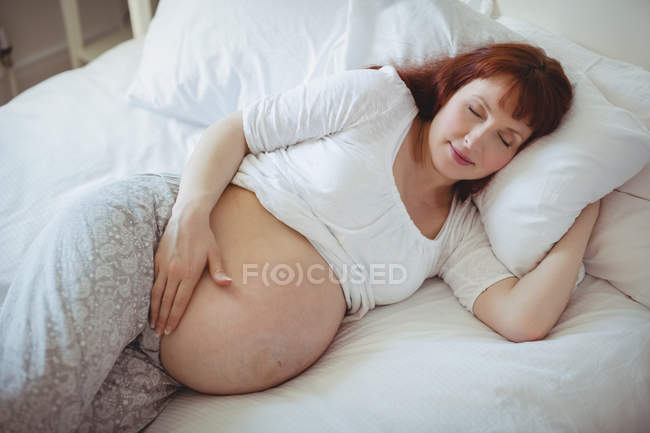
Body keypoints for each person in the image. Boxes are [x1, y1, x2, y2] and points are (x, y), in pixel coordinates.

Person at [0, 43, 600, 432]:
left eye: (507, 138)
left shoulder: (456, 235)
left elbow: (522, 318)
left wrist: (585, 211)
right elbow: (234, 130)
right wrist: (189, 217)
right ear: (450, 88)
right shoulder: (378, 102)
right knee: (27, 404)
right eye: (477, 110)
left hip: (163, 374)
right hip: (149, 242)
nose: (479, 139)